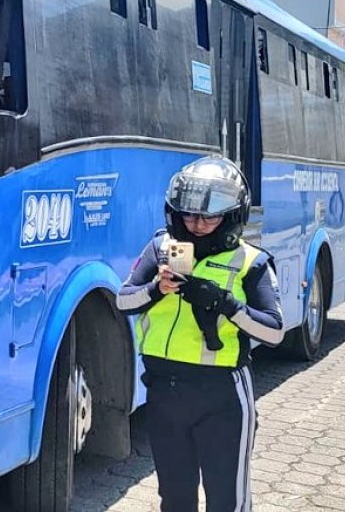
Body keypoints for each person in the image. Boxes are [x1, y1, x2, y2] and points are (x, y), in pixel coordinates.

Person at [116, 156, 284, 512]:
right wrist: (156, 289)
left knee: (227, 500)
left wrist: (227, 304)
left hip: (221, 395)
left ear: (231, 217)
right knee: (175, 500)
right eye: (189, 215)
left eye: (209, 217)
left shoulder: (250, 261)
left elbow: (274, 331)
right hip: (164, 393)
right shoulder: (161, 248)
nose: (197, 224)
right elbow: (123, 301)